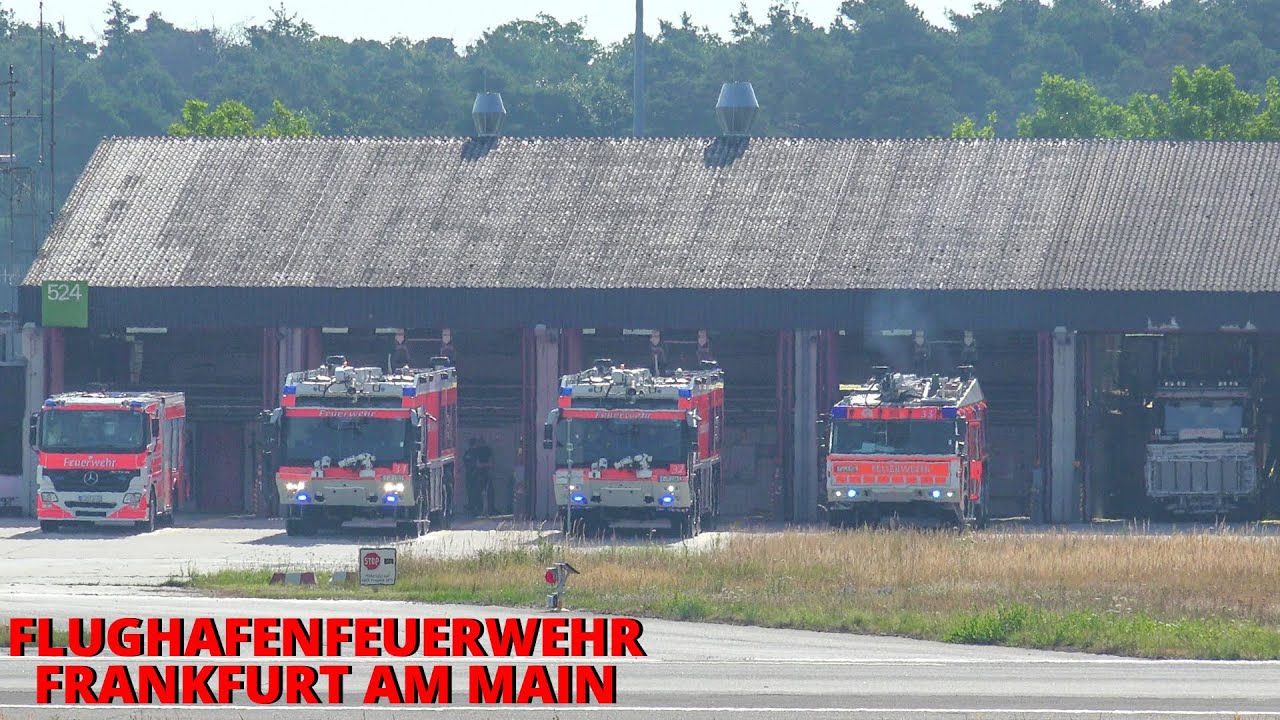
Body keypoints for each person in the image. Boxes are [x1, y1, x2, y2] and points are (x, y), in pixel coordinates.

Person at [463, 437, 494, 516]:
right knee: (481, 493)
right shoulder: (477, 452)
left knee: (473, 493)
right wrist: (486, 466)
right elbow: (479, 465)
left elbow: (466, 464)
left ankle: (475, 509)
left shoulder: (468, 453)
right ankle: (481, 510)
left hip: (471, 477)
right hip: (478, 476)